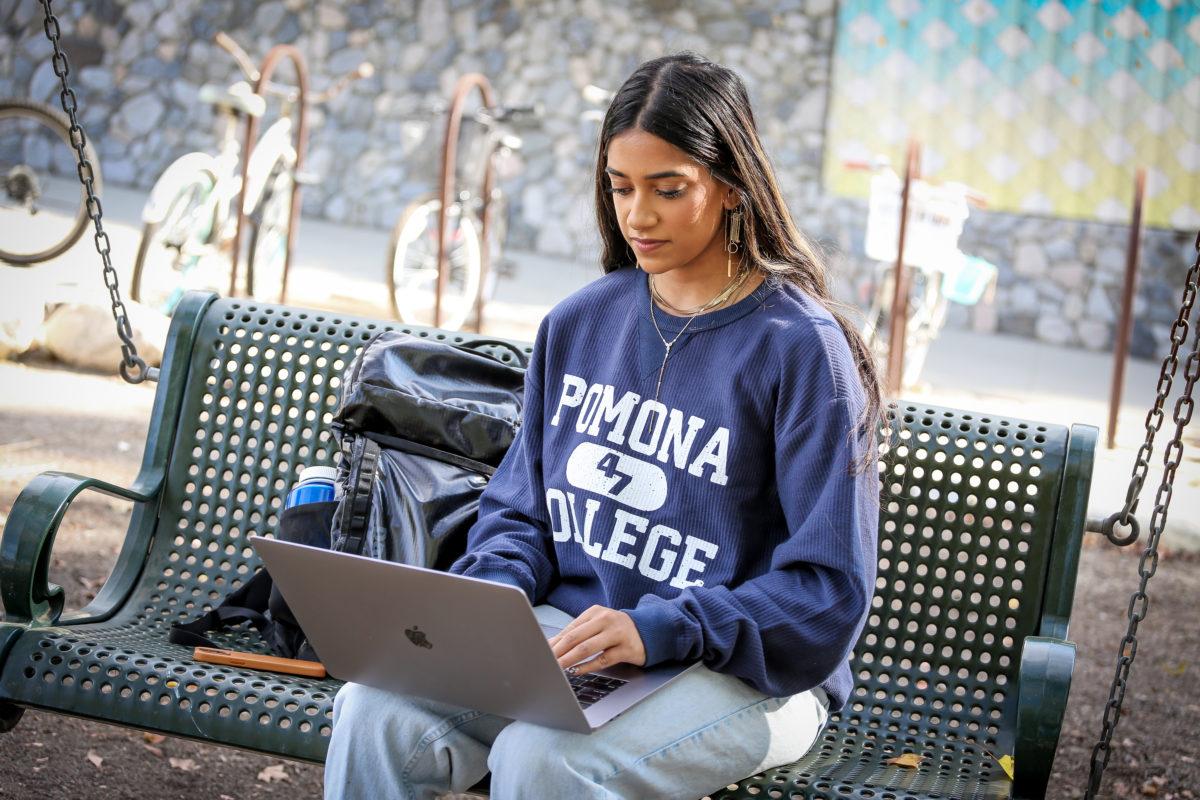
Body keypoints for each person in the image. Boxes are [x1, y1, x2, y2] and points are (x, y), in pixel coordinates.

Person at [324, 52, 881, 800]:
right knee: (375, 710)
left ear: (732, 187)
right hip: (572, 636)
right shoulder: (581, 322)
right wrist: (490, 608)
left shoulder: (802, 350)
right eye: (621, 187)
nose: (638, 215)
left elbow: (827, 589)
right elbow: (521, 512)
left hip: (746, 669)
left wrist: (663, 629)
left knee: (544, 759)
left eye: (668, 189)